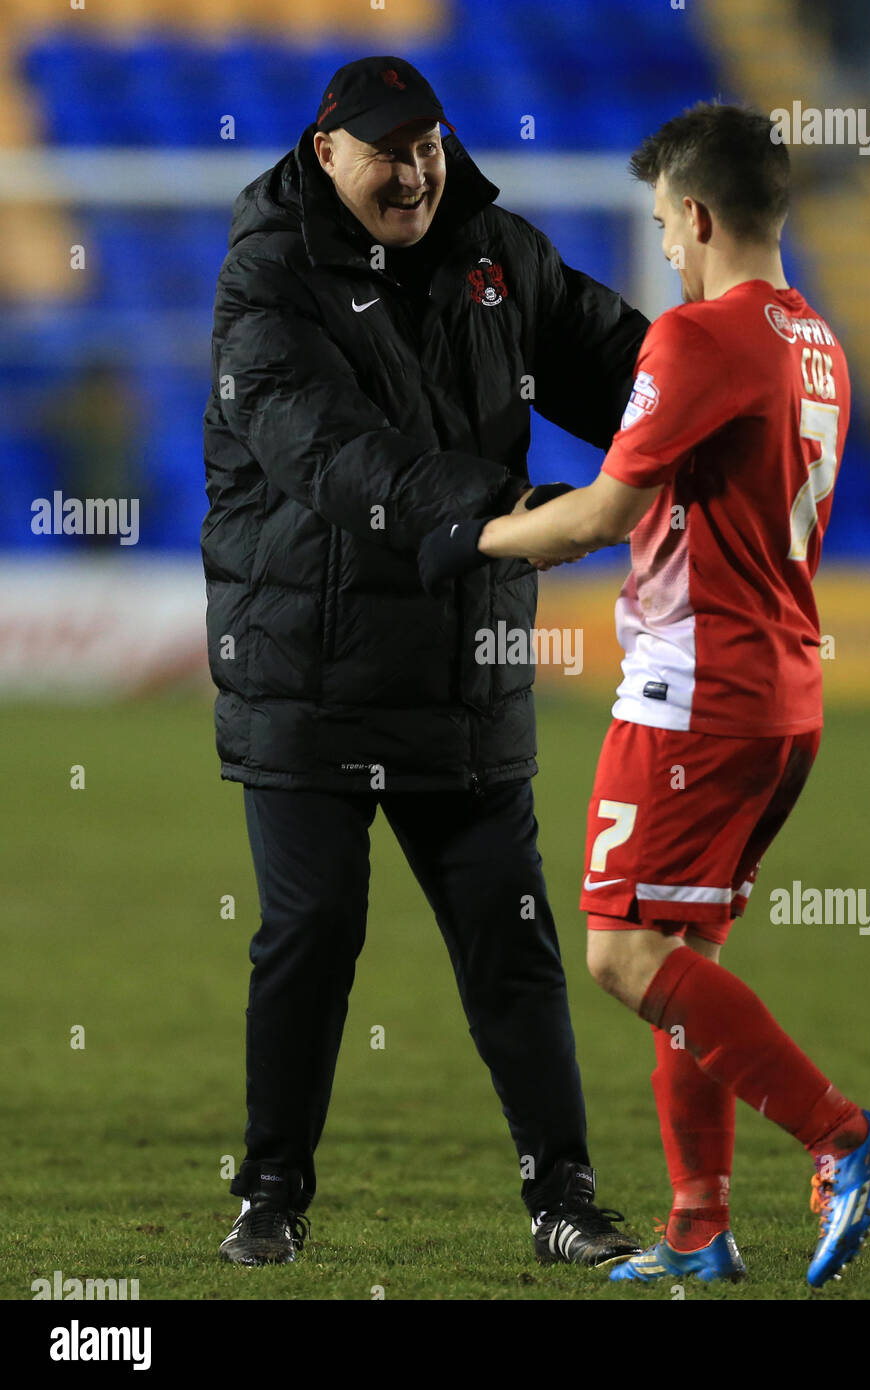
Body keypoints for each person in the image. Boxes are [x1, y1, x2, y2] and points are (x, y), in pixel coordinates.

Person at [420, 101, 870, 1290]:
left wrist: (467, 534)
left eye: (661, 223)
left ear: (693, 216)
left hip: (694, 691)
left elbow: (604, 514)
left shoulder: (700, 339)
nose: (663, 244)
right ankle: (698, 1227)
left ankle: (845, 1136)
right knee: (679, 950)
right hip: (778, 693)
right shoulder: (816, 342)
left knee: (621, 954)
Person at [201, 54, 649, 1268]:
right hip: (305, 669)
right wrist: (509, 514)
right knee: (310, 932)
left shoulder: (497, 252)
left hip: (463, 668)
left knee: (512, 942)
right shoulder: (265, 282)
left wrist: (727, 412)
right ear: (326, 151)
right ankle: (271, 1193)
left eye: (432, 145)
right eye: (390, 150)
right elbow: (335, 459)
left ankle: (564, 1201)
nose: (416, 171)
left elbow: (626, 370)